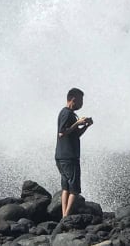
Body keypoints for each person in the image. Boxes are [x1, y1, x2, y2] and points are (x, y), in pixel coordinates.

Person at [55, 88, 93, 217]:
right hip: (69, 157)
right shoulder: (67, 113)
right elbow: (62, 133)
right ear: (73, 99)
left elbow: (75, 135)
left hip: (62, 156)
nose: (82, 103)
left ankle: (64, 216)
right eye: (81, 100)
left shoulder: (68, 114)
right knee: (74, 190)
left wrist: (85, 126)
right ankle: (66, 217)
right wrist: (77, 123)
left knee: (66, 187)